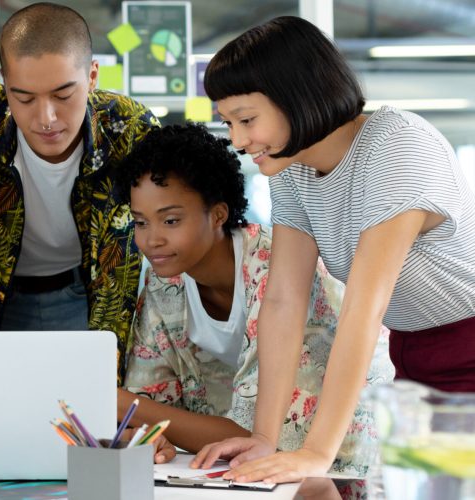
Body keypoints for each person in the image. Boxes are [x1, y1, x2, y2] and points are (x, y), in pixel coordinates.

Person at [193, 16, 475, 483]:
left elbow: (365, 308)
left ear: (297, 97)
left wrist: (316, 452)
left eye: (247, 120)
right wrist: (266, 436)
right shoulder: (294, 169)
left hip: (467, 345)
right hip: (416, 354)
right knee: (433, 489)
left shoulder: (396, 145)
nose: (239, 141)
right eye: (230, 123)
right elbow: (284, 301)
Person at [116, 123, 393, 477]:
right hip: (251, 471)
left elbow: (259, 435)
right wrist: (151, 435)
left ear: (218, 214)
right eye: (140, 223)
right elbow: (151, 409)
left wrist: (124, 405)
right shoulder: (164, 282)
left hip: (344, 464)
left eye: (170, 220)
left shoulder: (279, 269)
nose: (151, 239)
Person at [0, 2, 158, 375]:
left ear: (93, 76)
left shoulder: (130, 130)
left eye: (63, 95)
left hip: (88, 299)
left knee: (91, 421)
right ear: (5, 83)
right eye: (24, 98)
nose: (46, 118)